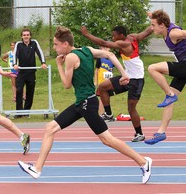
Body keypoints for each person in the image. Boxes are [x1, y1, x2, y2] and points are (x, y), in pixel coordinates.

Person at [18, 26, 152, 184]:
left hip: (87, 104)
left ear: (65, 44)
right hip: (82, 103)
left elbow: (67, 84)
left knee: (107, 139)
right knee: (50, 128)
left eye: (55, 44)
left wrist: (59, 66)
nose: (54, 47)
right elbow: (109, 53)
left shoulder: (70, 58)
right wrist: (124, 74)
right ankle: (37, 168)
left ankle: (143, 162)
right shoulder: (87, 50)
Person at [80, 25, 153, 142]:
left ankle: (139, 133)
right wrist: (154, 24)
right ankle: (108, 114)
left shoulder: (124, 43)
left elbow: (104, 43)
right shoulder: (133, 37)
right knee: (102, 87)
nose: (113, 38)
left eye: (114, 35)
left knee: (131, 108)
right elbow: (146, 32)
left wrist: (87, 35)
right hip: (127, 76)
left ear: (121, 35)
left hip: (137, 80)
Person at [145, 9, 186, 144]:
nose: (151, 28)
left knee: (152, 68)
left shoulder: (173, 33)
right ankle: (161, 132)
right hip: (183, 67)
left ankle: (170, 94)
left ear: (162, 25)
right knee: (169, 102)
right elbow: (156, 17)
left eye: (153, 25)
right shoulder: (164, 26)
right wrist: (150, 14)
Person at [13, 28, 47, 118]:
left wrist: (43, 63)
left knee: (30, 92)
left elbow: (40, 52)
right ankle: (18, 113)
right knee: (19, 90)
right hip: (21, 72)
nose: (26, 36)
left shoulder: (34, 43)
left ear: (30, 36)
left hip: (31, 72)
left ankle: (26, 112)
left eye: (27, 35)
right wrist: (15, 64)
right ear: (22, 36)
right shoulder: (18, 44)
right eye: (24, 35)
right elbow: (15, 54)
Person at [94, 47, 115, 115]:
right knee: (101, 98)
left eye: (107, 48)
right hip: (101, 82)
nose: (106, 49)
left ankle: (107, 113)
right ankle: (101, 113)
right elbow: (96, 71)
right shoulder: (100, 59)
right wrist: (95, 81)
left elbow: (112, 70)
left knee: (107, 98)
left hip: (109, 82)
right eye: (104, 48)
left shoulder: (112, 59)